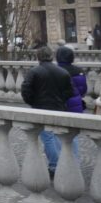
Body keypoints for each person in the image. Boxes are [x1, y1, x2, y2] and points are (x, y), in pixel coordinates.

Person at [21, 46, 75, 177]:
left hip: (41, 108)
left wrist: (33, 102)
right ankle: (62, 163)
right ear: (51, 56)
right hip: (59, 108)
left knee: (48, 138)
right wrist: (60, 101)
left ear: (38, 57)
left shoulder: (34, 72)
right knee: (57, 137)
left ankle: (55, 166)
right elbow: (70, 91)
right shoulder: (62, 72)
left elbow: (25, 90)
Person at [56, 46, 88, 113]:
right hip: (75, 104)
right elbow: (83, 90)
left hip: (56, 105)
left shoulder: (52, 71)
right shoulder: (79, 71)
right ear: (71, 57)